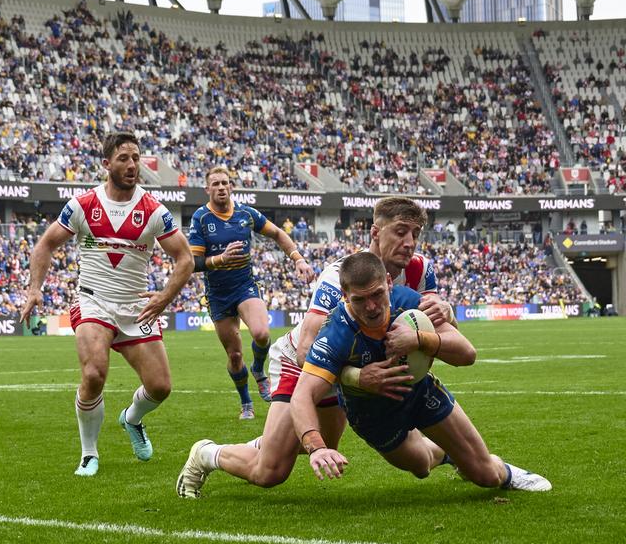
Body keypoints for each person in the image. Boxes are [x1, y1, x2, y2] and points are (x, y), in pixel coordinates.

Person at [176, 196, 450, 497]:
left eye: (416, 233)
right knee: (270, 471)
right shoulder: (340, 275)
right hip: (302, 364)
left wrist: (446, 311)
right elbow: (307, 347)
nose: (409, 242)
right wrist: (358, 378)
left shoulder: (421, 270)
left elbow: (441, 329)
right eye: (400, 232)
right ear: (376, 232)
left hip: (343, 367)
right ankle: (206, 453)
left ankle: (456, 455)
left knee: (324, 446)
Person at [291, 252, 550, 492]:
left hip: (419, 391)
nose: (371, 307)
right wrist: (316, 447)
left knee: (486, 476)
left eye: (377, 294)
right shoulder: (335, 332)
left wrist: (418, 339)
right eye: (360, 299)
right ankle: (447, 454)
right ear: (345, 296)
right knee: (422, 466)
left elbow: (466, 353)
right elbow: (302, 395)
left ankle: (505, 472)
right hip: (372, 414)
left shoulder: (408, 301)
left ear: (389, 283)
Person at [19, 132, 194, 477]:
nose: (132, 165)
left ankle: (132, 418)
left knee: (160, 387)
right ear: (106, 164)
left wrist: (164, 297)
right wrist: (33, 290)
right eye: (124, 158)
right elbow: (45, 246)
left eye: (136, 158)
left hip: (135, 308)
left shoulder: (153, 210)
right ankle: (88, 454)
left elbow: (185, 259)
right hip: (93, 302)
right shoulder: (83, 205)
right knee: (94, 373)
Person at [188, 166, 314, 418]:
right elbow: (195, 263)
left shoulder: (245, 213)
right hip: (218, 293)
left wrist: (298, 259)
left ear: (231, 186)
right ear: (207, 189)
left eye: (225, 183)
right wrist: (220, 258)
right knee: (234, 355)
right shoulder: (201, 218)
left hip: (244, 286)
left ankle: (258, 369)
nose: (221, 187)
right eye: (216, 184)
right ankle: (246, 402)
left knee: (261, 333)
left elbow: (278, 233)